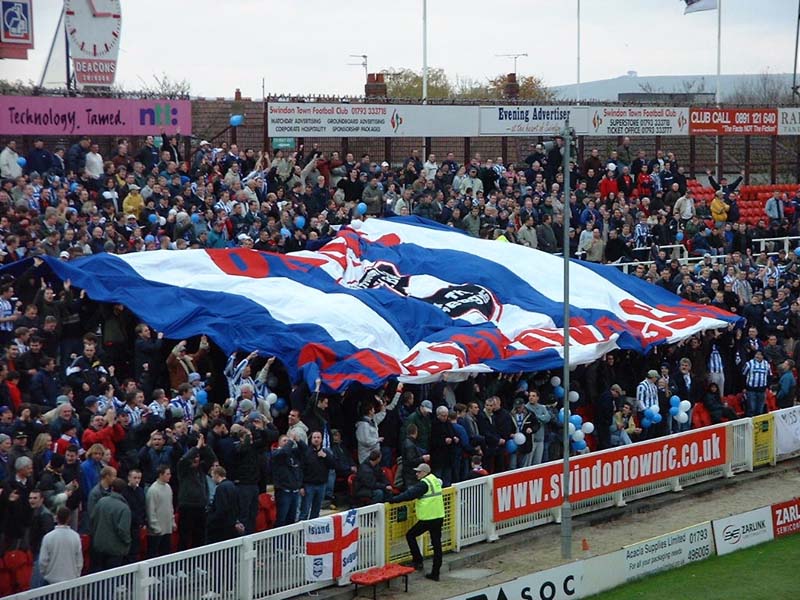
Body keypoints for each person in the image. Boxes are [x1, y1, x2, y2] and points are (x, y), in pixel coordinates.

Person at [389, 463, 445, 581]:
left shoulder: (424, 484)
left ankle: (418, 561)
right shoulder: (434, 480)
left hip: (428, 518)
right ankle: (435, 573)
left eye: (419, 472)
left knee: (410, 535)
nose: (416, 474)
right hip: (438, 516)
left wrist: (393, 500)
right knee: (437, 545)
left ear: (424, 473)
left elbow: (410, 495)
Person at [89, 478, 131, 571]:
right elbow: (123, 530)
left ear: (112, 488)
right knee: (112, 579)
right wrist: (128, 542)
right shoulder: (124, 508)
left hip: (98, 545)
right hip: (115, 549)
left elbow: (93, 519)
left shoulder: (101, 501)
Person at [38, 506, 83, 585]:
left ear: (56, 517)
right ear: (69, 518)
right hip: (70, 579)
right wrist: (76, 574)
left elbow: (43, 560)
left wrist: (45, 573)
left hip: (51, 580)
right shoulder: (75, 536)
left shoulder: (48, 537)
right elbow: (79, 561)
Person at [299, 430, 334, 520]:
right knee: (305, 510)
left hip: (321, 485)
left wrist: (325, 457)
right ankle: (301, 530)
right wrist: (301, 486)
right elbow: (301, 470)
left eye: (318, 437)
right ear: (311, 439)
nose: (316, 439)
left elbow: (333, 465)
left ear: (322, 439)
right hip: (308, 485)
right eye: (314, 437)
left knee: (316, 510)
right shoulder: (306, 453)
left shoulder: (326, 452)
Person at [271, 434, 304, 527]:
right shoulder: (276, 453)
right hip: (283, 492)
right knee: (281, 518)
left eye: (287, 441)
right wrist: (291, 440)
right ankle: (278, 540)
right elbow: (284, 452)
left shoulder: (293, 453)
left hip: (294, 491)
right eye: (284, 441)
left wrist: (298, 440)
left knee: (292, 518)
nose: (287, 442)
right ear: (279, 443)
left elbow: (305, 449)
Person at [207, 466, 244, 542]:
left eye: (212, 476)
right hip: (232, 523)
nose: (212, 479)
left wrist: (210, 519)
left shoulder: (220, 488)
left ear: (217, 475)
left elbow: (221, 508)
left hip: (222, 526)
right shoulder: (233, 485)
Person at [146, 464, 175, 558]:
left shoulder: (168, 487)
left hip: (167, 528)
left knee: (166, 553)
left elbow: (170, 507)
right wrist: (155, 527)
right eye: (167, 474)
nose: (170, 476)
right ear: (160, 475)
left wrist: (172, 522)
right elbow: (151, 510)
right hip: (156, 531)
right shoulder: (153, 490)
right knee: (154, 554)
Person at [743, 349, 770, 416]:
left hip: (762, 390)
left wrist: (767, 386)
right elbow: (743, 375)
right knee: (752, 409)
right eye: (756, 354)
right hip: (751, 390)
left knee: (760, 410)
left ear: (763, 356)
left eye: (760, 354)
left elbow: (769, 376)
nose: (758, 356)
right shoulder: (749, 363)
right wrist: (744, 387)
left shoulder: (766, 364)